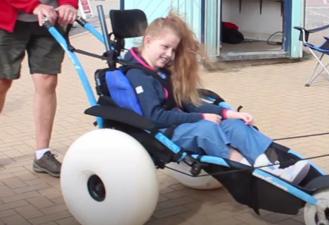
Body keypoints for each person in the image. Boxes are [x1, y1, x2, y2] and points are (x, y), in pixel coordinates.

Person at [123, 13, 310, 184]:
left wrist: (227, 113)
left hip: (184, 124)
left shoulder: (161, 72)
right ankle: (260, 175)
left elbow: (189, 104)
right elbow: (154, 116)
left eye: (173, 50)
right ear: (148, 41)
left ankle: (273, 169)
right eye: (165, 47)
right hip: (165, 133)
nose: (169, 55)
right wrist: (201, 118)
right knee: (207, 128)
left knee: (235, 125)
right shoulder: (139, 76)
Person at [0, 0, 78, 177]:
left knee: (47, 80)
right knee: (2, 81)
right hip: (9, 16)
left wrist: (68, 3)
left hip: (50, 17)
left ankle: (42, 154)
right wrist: (32, 5)